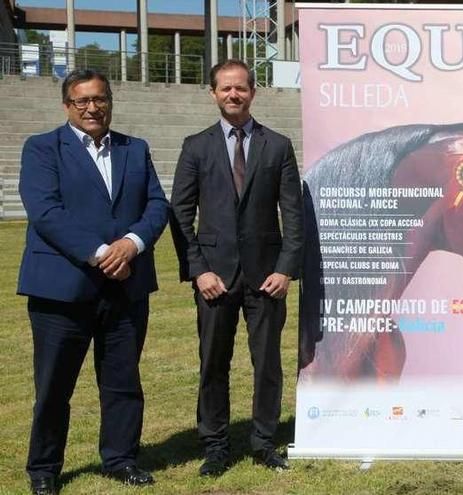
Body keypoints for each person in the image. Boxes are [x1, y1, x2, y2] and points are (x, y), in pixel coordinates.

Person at [18, 69, 169, 495]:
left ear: (110, 101)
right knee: (53, 387)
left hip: (126, 288)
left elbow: (157, 204)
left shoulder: (134, 149)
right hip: (62, 290)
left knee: (123, 381)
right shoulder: (43, 148)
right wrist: (105, 253)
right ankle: (44, 468)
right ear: (67, 105)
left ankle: (120, 459)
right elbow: (46, 212)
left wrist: (133, 243)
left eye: (99, 99)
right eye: (82, 100)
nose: (92, 107)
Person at [169, 59, 304, 477]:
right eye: (225, 88)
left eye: (240, 88)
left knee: (267, 364)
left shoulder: (277, 145)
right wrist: (198, 270)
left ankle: (264, 442)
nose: (233, 95)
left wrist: (285, 269)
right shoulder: (196, 145)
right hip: (214, 277)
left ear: (252, 92)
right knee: (213, 362)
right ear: (213, 93)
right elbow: (180, 211)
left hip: (267, 277)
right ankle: (215, 445)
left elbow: (294, 215)